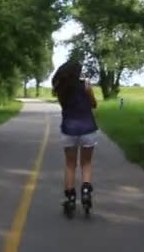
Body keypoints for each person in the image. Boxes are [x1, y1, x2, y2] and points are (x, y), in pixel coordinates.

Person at [51, 60, 98, 215]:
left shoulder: (61, 89)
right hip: (88, 129)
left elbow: (64, 107)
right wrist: (88, 90)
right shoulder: (86, 85)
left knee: (70, 165)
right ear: (78, 72)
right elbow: (93, 104)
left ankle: (70, 199)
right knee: (86, 163)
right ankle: (86, 192)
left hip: (68, 130)